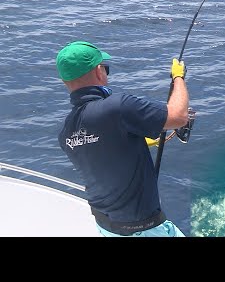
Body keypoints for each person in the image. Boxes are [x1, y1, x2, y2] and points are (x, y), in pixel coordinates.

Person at [55, 40, 189, 237]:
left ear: (65, 81)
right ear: (99, 71)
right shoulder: (118, 107)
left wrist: (142, 140)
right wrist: (178, 77)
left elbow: (102, 150)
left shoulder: (66, 131)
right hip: (144, 229)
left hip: (106, 227)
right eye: (105, 69)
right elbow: (179, 116)